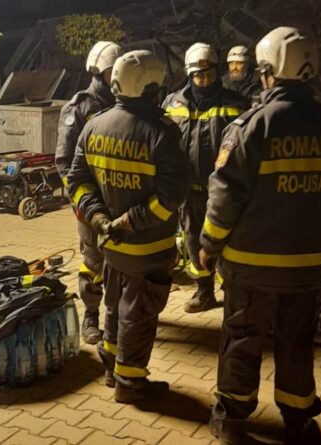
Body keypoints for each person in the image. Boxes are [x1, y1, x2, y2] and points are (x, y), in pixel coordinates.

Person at [200, 27, 321, 444]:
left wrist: (208, 245)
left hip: (250, 267)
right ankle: (299, 421)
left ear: (268, 72)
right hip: (308, 267)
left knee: (241, 342)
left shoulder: (252, 126)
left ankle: (232, 421)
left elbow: (224, 197)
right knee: (297, 344)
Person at [66, 50, 190, 404]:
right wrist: (129, 222)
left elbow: (77, 183)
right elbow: (172, 196)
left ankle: (111, 368)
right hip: (147, 249)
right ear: (151, 87)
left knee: (114, 306)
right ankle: (131, 384)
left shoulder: (95, 125)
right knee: (139, 314)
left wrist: (100, 219)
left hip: (109, 245)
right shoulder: (163, 133)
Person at [163, 42, 249, 313]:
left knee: (228, 241)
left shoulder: (236, 103)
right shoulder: (172, 104)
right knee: (193, 240)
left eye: (209, 74)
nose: (204, 79)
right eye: (198, 75)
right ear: (189, 74)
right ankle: (204, 292)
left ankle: (232, 291)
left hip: (224, 192)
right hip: (188, 191)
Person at [55, 41, 123, 345]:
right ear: (99, 72)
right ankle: (91, 315)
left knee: (122, 261)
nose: (117, 74)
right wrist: (81, 201)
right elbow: (64, 162)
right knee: (93, 262)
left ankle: (118, 314)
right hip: (90, 201)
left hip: (121, 199)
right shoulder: (79, 108)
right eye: (112, 70)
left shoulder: (127, 103)